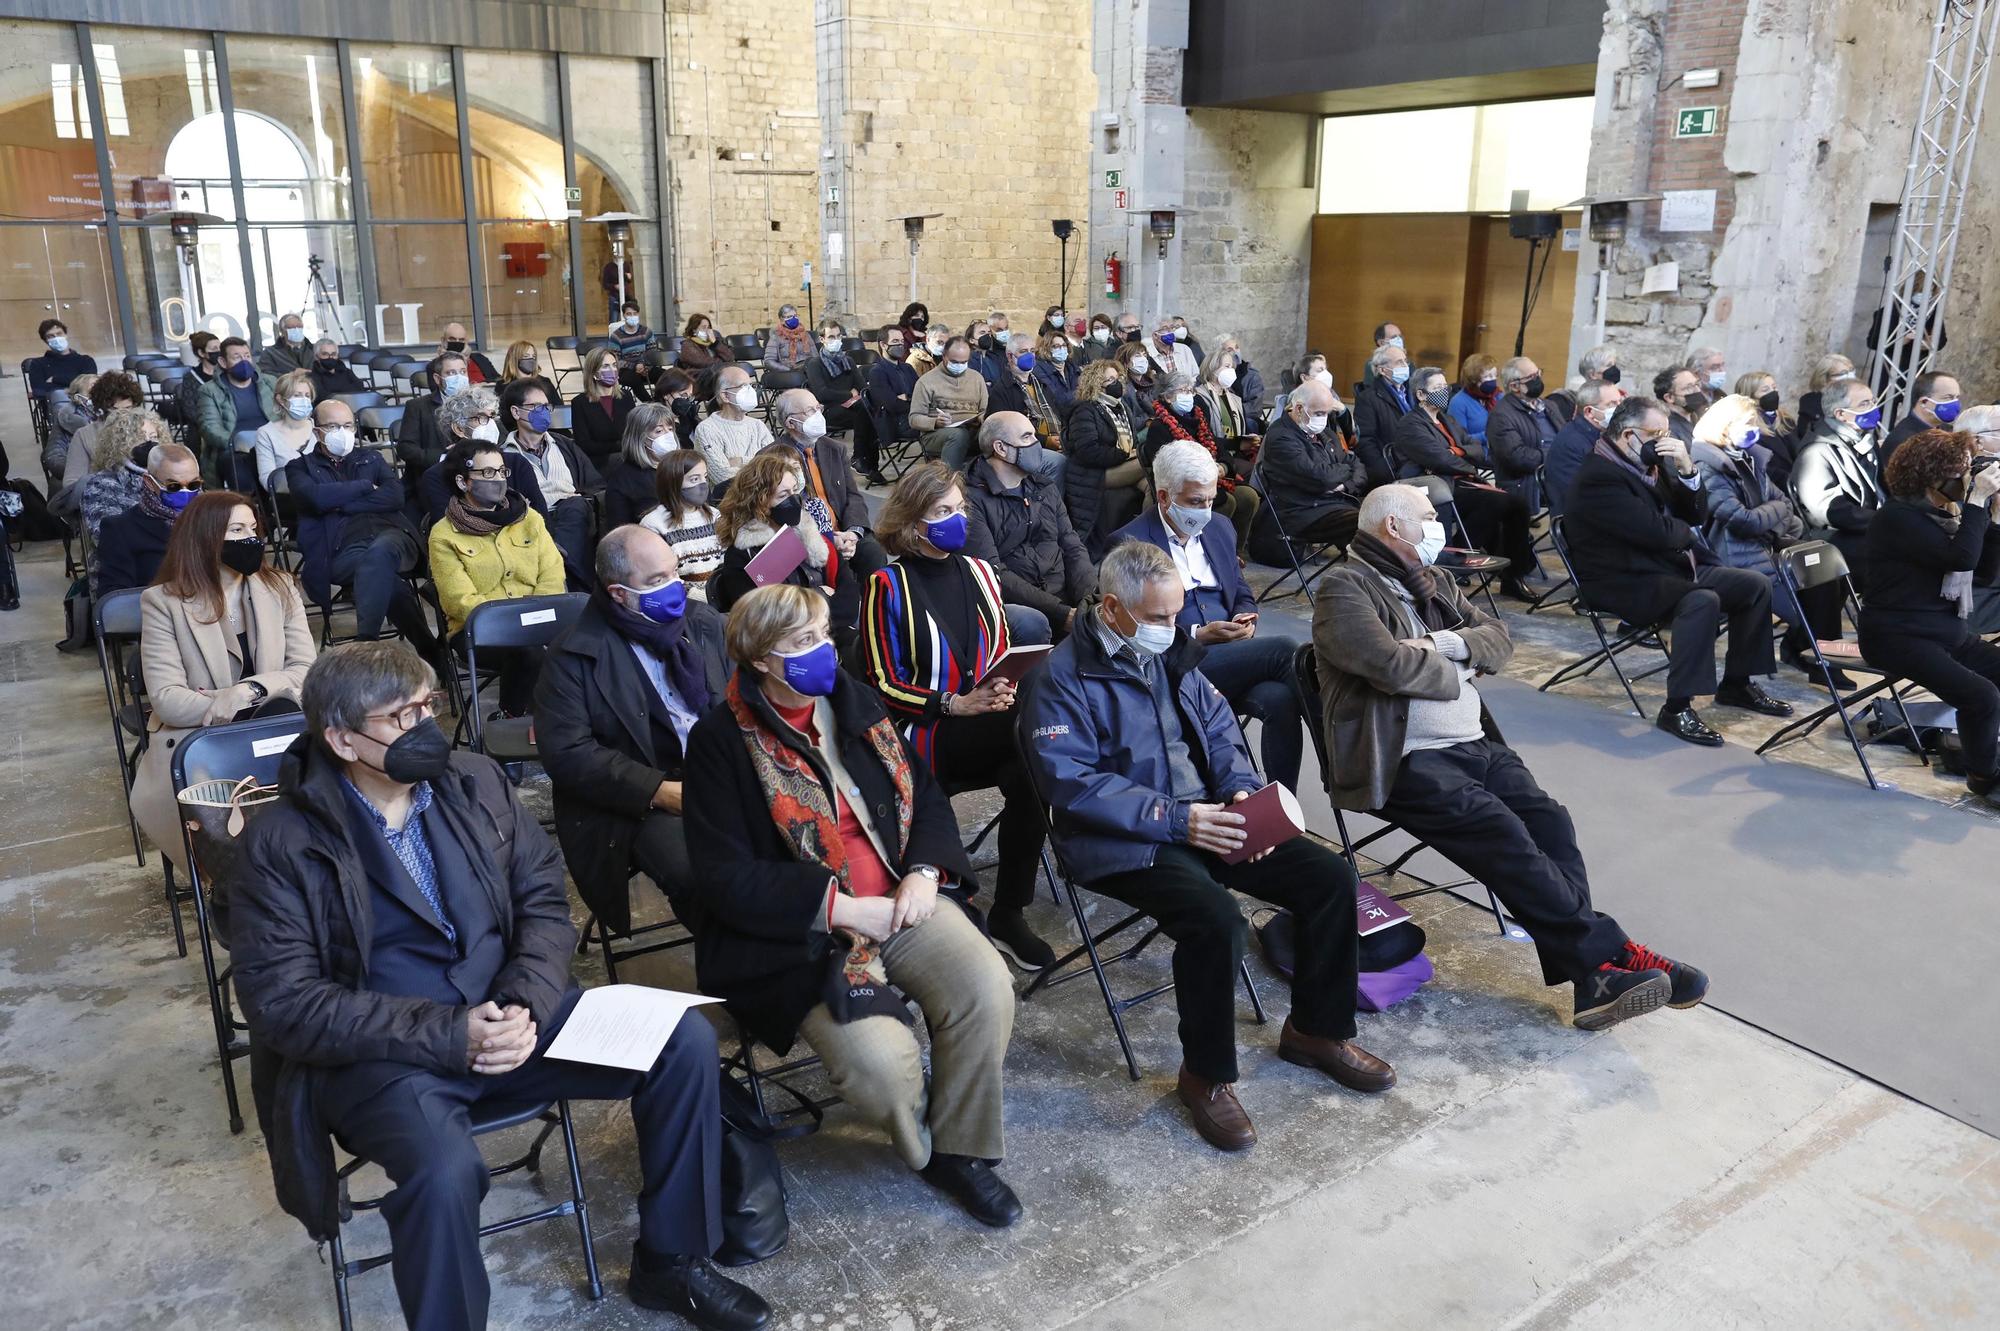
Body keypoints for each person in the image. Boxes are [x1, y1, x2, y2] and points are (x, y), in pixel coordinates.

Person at [233, 641, 771, 1331]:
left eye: (429, 705)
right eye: (400, 716)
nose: (425, 727)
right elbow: (286, 1006)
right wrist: (453, 1035)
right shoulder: (281, 843)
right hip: (390, 1056)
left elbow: (544, 900)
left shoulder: (473, 780)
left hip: (515, 1014)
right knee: (443, 1168)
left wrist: (524, 1002)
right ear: (340, 737)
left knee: (683, 1042)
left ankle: (672, 1260)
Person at [1020, 541, 1391, 1151]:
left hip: (1210, 817)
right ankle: (1206, 1077)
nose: (1174, 628)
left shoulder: (1174, 656)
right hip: (1126, 840)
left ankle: (1315, 1031)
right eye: (1160, 617)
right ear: (1112, 609)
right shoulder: (1059, 679)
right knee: (1216, 920)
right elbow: (1073, 786)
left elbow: (1220, 732)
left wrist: (1244, 792)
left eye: (1176, 613)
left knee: (1330, 880)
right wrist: (1179, 820)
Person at [682, 585, 1022, 1227]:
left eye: (823, 636)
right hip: (807, 933)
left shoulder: (850, 698)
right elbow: (723, 877)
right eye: (801, 643)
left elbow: (922, 790)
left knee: (987, 989)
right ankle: (928, 1149)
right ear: (759, 659)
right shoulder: (720, 742)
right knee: (879, 1069)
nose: (822, 653)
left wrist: (924, 870)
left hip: (901, 895)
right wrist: (839, 909)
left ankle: (961, 1150)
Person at [1312, 482, 1708, 1029]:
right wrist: (1460, 665)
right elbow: (1388, 666)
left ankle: (1594, 979)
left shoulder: (1435, 580)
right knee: (1506, 834)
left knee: (1550, 821)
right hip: (1406, 759)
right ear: (1394, 528)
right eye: (1428, 517)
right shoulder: (1343, 588)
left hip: (1475, 743)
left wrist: (1445, 645)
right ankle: (1610, 953)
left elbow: (1499, 639)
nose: (1438, 526)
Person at [857, 463, 1054, 970]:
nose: (957, 519)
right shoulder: (887, 584)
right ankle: (961, 899)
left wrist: (1001, 686)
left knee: (1029, 775)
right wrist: (956, 704)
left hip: (991, 725)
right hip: (925, 730)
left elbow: (1002, 651)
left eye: (960, 509)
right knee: (1037, 740)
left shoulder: (982, 572)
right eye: (942, 511)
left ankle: (1008, 912)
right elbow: (883, 681)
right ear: (913, 522)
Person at [536, 525, 729, 941]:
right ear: (618, 593)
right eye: (657, 582)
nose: (675, 589)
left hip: (716, 775)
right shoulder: (573, 656)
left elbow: (738, 701)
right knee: (700, 872)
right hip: (637, 799)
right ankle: (739, 965)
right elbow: (568, 753)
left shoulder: (701, 625)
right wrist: (660, 791)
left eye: (674, 573)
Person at [1566, 396, 1792, 745]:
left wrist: (1687, 469)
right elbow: (1659, 532)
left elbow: (1695, 516)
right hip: (1623, 579)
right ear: (1628, 435)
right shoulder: (1599, 476)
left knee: (1754, 584)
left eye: (1667, 432)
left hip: (1663, 568)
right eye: (1656, 433)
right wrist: (1683, 534)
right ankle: (1677, 707)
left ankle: (1737, 683)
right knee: (1701, 601)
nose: (1664, 441)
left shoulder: (1648, 466)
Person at [130, 491, 313, 873]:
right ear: (206, 537)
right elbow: (167, 699)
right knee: (220, 811)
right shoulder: (163, 602)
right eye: (236, 529)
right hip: (205, 735)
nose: (250, 538)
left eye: (253, 528)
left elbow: (306, 669)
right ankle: (236, 879)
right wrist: (226, 707)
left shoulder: (280, 587)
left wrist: (248, 691)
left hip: (276, 722)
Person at [1117, 442, 1305, 791]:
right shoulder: (1131, 544)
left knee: (1280, 697)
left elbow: (1241, 588)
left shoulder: (1219, 527)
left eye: (1210, 499)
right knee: (1285, 650)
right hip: (1172, 665)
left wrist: (1244, 615)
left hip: (1230, 656)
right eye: (1194, 502)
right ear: (1163, 496)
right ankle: (1340, 749)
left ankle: (1280, 806)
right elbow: (1133, 629)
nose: (1205, 509)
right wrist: (1198, 634)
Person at [1860, 430, 2000, 801]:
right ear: (1933, 476)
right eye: (1963, 470)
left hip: (1942, 632)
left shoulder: (1944, 515)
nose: (1967, 478)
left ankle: (1988, 753)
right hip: (1897, 637)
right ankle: (1984, 777)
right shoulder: (1898, 517)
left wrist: (1993, 518)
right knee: (1981, 696)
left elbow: (1982, 572)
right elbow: (1961, 559)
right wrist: (1978, 502)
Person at [1690, 394, 1830, 675]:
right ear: (1724, 426)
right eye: (1745, 423)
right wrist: (1773, 512)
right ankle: (1814, 656)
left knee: (1825, 572)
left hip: (1764, 549)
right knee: (1807, 615)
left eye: (1754, 422)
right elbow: (1744, 521)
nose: (1753, 428)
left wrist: (1770, 517)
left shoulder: (1750, 459)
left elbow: (1787, 510)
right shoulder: (1708, 466)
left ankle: (1813, 652)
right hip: (1735, 558)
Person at [289, 400, 438, 655]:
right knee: (384, 575)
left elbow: (394, 497)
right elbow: (315, 497)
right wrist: (365, 486)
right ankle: (432, 653)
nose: (342, 432)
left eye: (348, 425)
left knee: (380, 552)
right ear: (316, 431)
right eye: (333, 426)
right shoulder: (299, 468)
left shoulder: (371, 457)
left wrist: (340, 504)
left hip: (393, 536)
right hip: (340, 548)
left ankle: (366, 644)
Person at [429, 439, 566, 713]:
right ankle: (512, 719)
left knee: (595, 641)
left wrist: (534, 616)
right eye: (488, 473)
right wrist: (513, 622)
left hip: (538, 619)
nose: (499, 479)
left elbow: (552, 573)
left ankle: (573, 723)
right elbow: (458, 599)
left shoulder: (530, 520)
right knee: (528, 652)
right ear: (463, 481)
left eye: (502, 471)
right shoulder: (444, 534)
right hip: (480, 630)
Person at [1394, 367, 1537, 599]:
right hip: (1436, 486)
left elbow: (1478, 449)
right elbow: (1440, 460)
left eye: (1445, 387)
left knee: (1518, 505)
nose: (1444, 392)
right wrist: (1465, 461)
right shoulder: (1411, 424)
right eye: (1437, 388)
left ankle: (1514, 575)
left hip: (1461, 482)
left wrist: (1457, 450)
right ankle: (1458, 555)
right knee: (1496, 503)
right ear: (1421, 395)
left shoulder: (1446, 419)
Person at [961, 413, 1093, 644]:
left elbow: (1072, 545)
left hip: (1063, 596)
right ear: (1000, 448)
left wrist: (1089, 599)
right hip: (1021, 608)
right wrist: (1062, 613)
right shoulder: (971, 500)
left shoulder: (1043, 486)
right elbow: (993, 573)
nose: (1036, 443)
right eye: (1027, 437)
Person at [708, 452, 860, 641]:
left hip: (831, 632)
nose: (795, 499)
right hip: (783, 648)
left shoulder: (811, 537)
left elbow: (850, 598)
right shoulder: (743, 556)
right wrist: (822, 596)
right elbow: (765, 620)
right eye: (783, 495)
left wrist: (814, 619)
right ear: (760, 503)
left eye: (794, 490)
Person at [1250, 375, 1367, 565]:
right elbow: (1320, 477)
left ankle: (1364, 575)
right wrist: (1344, 470)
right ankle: (1360, 577)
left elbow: (1359, 467)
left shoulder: (1325, 433)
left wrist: (1344, 486)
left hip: (1332, 503)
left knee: (1377, 518)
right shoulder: (1280, 436)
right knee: (1368, 524)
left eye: (1327, 413)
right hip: (1299, 512)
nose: (1324, 419)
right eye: (1319, 413)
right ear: (1298, 409)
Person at [1789, 377, 1884, 611]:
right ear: (1841, 414)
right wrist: (1885, 522)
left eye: (1873, 401)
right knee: (1899, 557)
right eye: (1864, 404)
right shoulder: (1817, 451)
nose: (1873, 408)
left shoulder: (1864, 442)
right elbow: (1827, 511)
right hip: (1833, 540)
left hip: (1865, 531)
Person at [772, 388, 887, 579]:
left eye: (818, 408)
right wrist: (826, 538)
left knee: (873, 552)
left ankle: (871, 606)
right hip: (805, 536)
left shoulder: (835, 449)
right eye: (810, 411)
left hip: (844, 528)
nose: (818, 415)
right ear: (790, 423)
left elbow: (853, 496)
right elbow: (781, 511)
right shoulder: (773, 457)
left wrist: (853, 533)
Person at [1142, 371, 1260, 557]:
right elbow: (1166, 468)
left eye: (1191, 391)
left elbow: (1219, 449)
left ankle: (1234, 552)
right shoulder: (1159, 427)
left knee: (1249, 497)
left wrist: (1223, 467)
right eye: (1183, 391)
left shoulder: (1199, 420)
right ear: (1168, 397)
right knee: (1226, 501)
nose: (1189, 395)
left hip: (1213, 481)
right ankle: (1209, 551)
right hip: (1186, 487)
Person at [500, 376, 602, 586]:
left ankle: (559, 566)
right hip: (534, 519)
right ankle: (579, 585)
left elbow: (596, 484)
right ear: (516, 412)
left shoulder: (565, 445)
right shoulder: (503, 456)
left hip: (573, 512)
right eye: (535, 406)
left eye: (546, 406)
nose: (543, 412)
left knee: (574, 507)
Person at [416, 386, 546, 528]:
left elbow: (541, 519)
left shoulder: (517, 463)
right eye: (481, 418)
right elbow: (447, 529)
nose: (490, 424)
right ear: (459, 429)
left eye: (491, 416)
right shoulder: (436, 476)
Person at [1062, 358, 1148, 558]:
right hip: (1092, 473)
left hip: (1119, 465)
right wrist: (1125, 454)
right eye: (1109, 380)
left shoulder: (1122, 408)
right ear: (1096, 384)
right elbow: (1087, 451)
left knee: (1150, 486)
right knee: (1149, 461)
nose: (1116, 383)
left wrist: (1129, 453)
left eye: (1117, 378)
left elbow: (1132, 441)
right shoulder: (1085, 409)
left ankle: (1145, 542)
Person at [97, 443, 201, 595]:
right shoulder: (120, 529)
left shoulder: (214, 519)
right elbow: (116, 598)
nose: (185, 492)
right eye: (173, 486)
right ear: (150, 482)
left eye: (193, 485)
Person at [79, 409, 163, 573]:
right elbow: (108, 538)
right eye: (140, 438)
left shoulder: (174, 477)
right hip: (127, 574)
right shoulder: (101, 484)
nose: (149, 443)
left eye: (153, 437)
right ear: (119, 444)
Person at [641, 449, 727, 597]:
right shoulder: (653, 525)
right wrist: (697, 596)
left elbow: (726, 563)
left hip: (719, 595)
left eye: (705, 477)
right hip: (684, 602)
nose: (703, 484)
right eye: (694, 479)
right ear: (673, 483)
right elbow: (658, 578)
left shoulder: (715, 515)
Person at [802, 321, 880, 482]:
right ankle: (862, 459)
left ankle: (869, 463)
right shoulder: (815, 364)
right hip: (829, 410)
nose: (836, 340)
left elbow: (861, 387)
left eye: (838, 336)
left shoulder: (848, 361)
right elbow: (822, 394)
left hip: (853, 407)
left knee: (870, 410)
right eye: (831, 336)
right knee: (864, 411)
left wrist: (854, 394)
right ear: (822, 339)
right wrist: (848, 394)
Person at [197, 338, 278, 486]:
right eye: (237, 357)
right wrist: (235, 443)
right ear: (222, 362)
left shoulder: (270, 382)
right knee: (240, 466)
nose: (244, 361)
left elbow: (283, 416)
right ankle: (249, 504)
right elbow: (209, 427)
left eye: (247, 356)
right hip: (235, 449)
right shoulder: (209, 390)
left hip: (272, 443)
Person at [1486, 356, 1557, 510]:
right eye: (1531, 377)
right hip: (1529, 482)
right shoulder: (1501, 416)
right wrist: (1557, 456)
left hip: (1558, 472)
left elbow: (1567, 439)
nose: (1537, 379)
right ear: (1514, 386)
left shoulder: (1550, 406)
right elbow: (1518, 457)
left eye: (1538, 373)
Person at [1546, 380, 1624, 520]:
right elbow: (1584, 495)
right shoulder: (1573, 443)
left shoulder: (1597, 434)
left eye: (1620, 402)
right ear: (1589, 412)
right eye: (1611, 404)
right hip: (1581, 519)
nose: (1620, 409)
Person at [909, 337, 987, 471]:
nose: (960, 366)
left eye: (964, 362)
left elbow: (984, 409)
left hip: (972, 429)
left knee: (997, 431)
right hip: (937, 433)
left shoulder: (976, 378)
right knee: (958, 435)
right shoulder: (926, 382)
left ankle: (990, 481)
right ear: (944, 356)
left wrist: (981, 418)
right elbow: (914, 418)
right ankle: (949, 481)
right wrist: (934, 421)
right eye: (955, 362)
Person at [694, 364, 774, 487]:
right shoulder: (707, 429)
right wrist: (759, 463)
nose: (751, 391)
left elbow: (776, 465)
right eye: (743, 386)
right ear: (725, 396)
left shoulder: (758, 426)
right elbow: (722, 476)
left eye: (751, 385)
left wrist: (740, 461)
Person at [394, 350, 471, 479]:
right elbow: (406, 449)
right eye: (451, 373)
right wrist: (444, 457)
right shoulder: (417, 406)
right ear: (437, 378)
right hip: (432, 475)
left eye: (463, 372)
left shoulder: (478, 406)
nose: (459, 377)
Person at [1353, 342, 1414, 488]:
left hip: (1417, 460)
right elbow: (1366, 441)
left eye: (1406, 361)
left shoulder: (1413, 392)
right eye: (1399, 362)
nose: (1405, 366)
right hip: (1394, 467)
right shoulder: (1368, 398)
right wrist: (1385, 471)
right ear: (1382, 369)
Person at [1881, 369, 1962, 469]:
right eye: (1948, 397)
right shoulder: (1904, 441)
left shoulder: (1951, 431)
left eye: (1957, 397)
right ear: (1924, 402)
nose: (1955, 403)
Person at [571, 345, 637, 466]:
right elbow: (584, 445)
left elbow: (635, 432)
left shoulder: (626, 396)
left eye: (614, 365)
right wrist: (617, 446)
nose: (612, 370)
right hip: (599, 462)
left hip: (627, 458)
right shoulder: (580, 403)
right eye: (605, 366)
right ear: (593, 372)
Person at [255, 370, 319, 492]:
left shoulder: (319, 427)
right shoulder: (266, 433)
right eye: (297, 395)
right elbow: (267, 479)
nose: (304, 400)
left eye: (307, 395)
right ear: (281, 400)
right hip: (289, 498)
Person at [1735, 368, 1800, 488]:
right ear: (1750, 397)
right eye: (1765, 390)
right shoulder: (1749, 432)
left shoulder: (1786, 420)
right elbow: (1767, 470)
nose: (1773, 392)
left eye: (1774, 387)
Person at [865, 326, 919, 464]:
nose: (900, 345)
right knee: (938, 426)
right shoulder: (877, 372)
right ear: (883, 345)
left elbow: (921, 394)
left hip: (915, 415)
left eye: (902, 341)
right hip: (896, 423)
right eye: (895, 341)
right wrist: (913, 399)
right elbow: (891, 405)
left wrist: (906, 397)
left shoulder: (907, 368)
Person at [26, 317, 97, 400]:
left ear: (66, 335)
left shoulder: (86, 361)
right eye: (50, 336)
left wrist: (55, 379)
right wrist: (76, 384)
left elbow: (88, 384)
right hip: (54, 410)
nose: (56, 338)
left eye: (59, 334)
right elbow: (39, 391)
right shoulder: (38, 364)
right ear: (45, 341)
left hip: (84, 408)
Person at [1795, 353, 1857, 447]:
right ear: (1825, 379)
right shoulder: (1810, 403)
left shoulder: (1855, 399)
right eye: (1843, 373)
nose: (1850, 376)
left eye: (1851, 371)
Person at [1446, 354, 1500, 447]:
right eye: (1488, 376)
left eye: (1495, 376)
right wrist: (1490, 435)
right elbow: (1459, 439)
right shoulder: (1458, 402)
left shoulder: (1498, 396)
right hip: (1477, 456)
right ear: (1474, 379)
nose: (1493, 380)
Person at [176, 332, 222, 436]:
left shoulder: (226, 374)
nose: (219, 352)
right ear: (201, 353)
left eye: (220, 348)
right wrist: (212, 423)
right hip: (203, 427)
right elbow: (190, 410)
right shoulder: (191, 377)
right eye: (214, 349)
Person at [1653, 365, 1705, 445]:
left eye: (1697, 384)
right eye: (1688, 387)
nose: (1697, 390)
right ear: (1669, 397)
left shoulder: (1697, 418)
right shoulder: (1668, 430)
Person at [761, 303, 815, 371]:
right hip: (788, 372)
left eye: (795, 315)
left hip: (808, 369)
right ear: (782, 320)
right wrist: (788, 370)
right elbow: (768, 361)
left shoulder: (805, 334)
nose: (793, 318)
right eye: (789, 316)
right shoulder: (776, 336)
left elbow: (816, 357)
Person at [258, 312, 314, 377]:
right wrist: (292, 375)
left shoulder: (314, 349)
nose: (297, 330)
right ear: (282, 331)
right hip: (287, 386)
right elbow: (266, 376)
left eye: (299, 327)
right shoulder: (270, 353)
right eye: (292, 328)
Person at [1360, 321, 1404, 387]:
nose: (1399, 340)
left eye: (1400, 337)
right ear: (1381, 343)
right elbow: (1370, 392)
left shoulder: (1409, 364)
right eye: (1394, 337)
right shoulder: (1373, 364)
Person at [600, 253, 635, 323]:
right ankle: (613, 332)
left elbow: (629, 280)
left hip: (626, 295)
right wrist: (614, 286)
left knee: (628, 317)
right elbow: (605, 284)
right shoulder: (609, 267)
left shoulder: (626, 265)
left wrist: (629, 277)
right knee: (614, 318)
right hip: (614, 296)